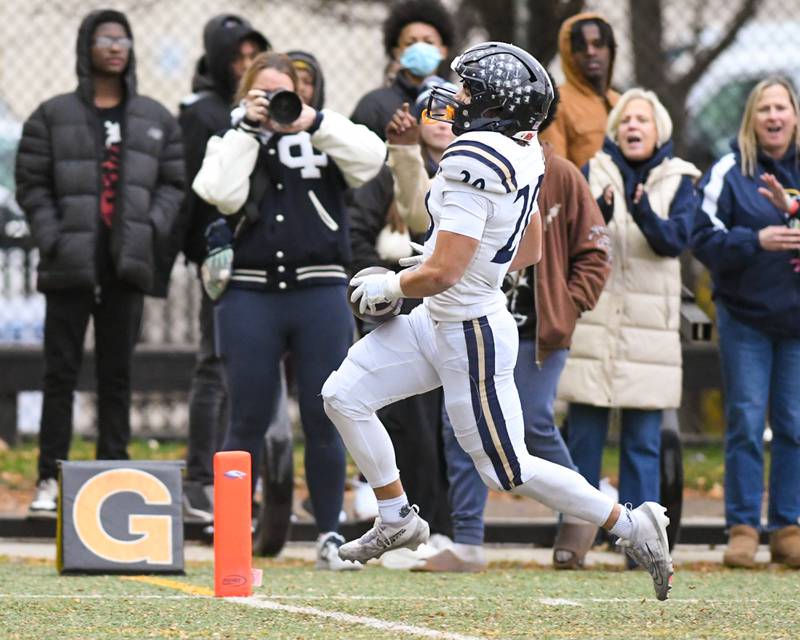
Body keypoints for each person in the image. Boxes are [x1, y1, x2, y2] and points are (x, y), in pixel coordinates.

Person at [322, 42, 673, 601]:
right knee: (343, 394)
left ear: (491, 103)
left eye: (465, 89)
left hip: (470, 332)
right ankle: (396, 514)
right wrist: (463, 262)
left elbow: (443, 270)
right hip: (445, 317)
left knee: (508, 470)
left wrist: (395, 283)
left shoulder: (472, 159)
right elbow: (529, 246)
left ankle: (632, 526)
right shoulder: (523, 147)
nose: (453, 96)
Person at [389, 83, 612, 572]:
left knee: (531, 419)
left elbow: (594, 254)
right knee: (459, 423)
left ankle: (586, 511)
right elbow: (423, 225)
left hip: (536, 329)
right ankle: (468, 541)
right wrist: (405, 153)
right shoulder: (468, 166)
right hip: (476, 318)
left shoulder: (558, 173)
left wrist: (567, 307)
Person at [192, 52, 385, 570]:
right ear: (246, 94)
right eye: (265, 92)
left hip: (318, 289)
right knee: (246, 416)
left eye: (288, 90)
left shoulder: (323, 135)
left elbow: (371, 159)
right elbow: (217, 194)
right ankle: (234, 535)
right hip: (249, 293)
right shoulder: (231, 139)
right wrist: (248, 129)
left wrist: (312, 121)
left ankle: (328, 533)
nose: (277, 100)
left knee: (328, 412)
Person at [17, 9, 184, 517]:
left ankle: (114, 477)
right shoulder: (52, 114)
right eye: (105, 37)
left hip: (125, 266)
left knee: (117, 376)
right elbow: (32, 183)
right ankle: (49, 477)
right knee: (59, 375)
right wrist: (53, 236)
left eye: (123, 38)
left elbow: (174, 183)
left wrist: (149, 227)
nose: (115, 46)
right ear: (87, 46)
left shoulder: (154, 117)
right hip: (69, 265)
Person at [556, 88, 699, 563]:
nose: (634, 126)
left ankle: (641, 544)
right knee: (584, 437)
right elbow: (571, 235)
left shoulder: (681, 180)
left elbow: (673, 241)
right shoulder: (590, 172)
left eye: (644, 118)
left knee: (642, 443)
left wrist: (640, 211)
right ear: (615, 130)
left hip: (648, 336)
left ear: (660, 130)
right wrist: (599, 208)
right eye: (626, 119)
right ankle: (574, 539)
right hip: (594, 324)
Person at [692, 77, 800, 569]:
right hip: (745, 320)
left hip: (796, 324)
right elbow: (702, 237)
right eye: (764, 109)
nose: (774, 116)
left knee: (795, 425)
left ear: (795, 116)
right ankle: (741, 528)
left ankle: (788, 526)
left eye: (782, 107)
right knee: (746, 422)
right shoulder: (730, 172)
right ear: (751, 120)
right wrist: (756, 240)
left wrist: (793, 214)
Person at [346, 82, 459, 549]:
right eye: (429, 112)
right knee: (402, 421)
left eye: (451, 112)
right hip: (400, 315)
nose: (439, 120)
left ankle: (453, 527)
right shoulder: (385, 174)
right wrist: (383, 291)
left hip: (454, 311)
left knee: (456, 426)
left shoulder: (471, 174)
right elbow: (357, 240)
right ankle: (407, 520)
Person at [178, 14, 269, 523]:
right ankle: (199, 481)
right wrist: (199, 250)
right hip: (221, 254)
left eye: (252, 56)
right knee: (213, 365)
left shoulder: (272, 111)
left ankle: (245, 485)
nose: (244, 66)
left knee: (250, 371)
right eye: (237, 56)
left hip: (263, 253)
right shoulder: (203, 113)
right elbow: (196, 191)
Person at [350, 0, 455, 140]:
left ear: (443, 51)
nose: (420, 48)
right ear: (397, 53)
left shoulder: (457, 101)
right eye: (411, 43)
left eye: (428, 42)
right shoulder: (374, 105)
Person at [539, 12, 618, 169]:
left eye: (598, 43)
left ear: (610, 50)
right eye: (580, 46)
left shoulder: (623, 102)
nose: (590, 52)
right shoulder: (556, 103)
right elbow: (556, 173)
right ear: (569, 54)